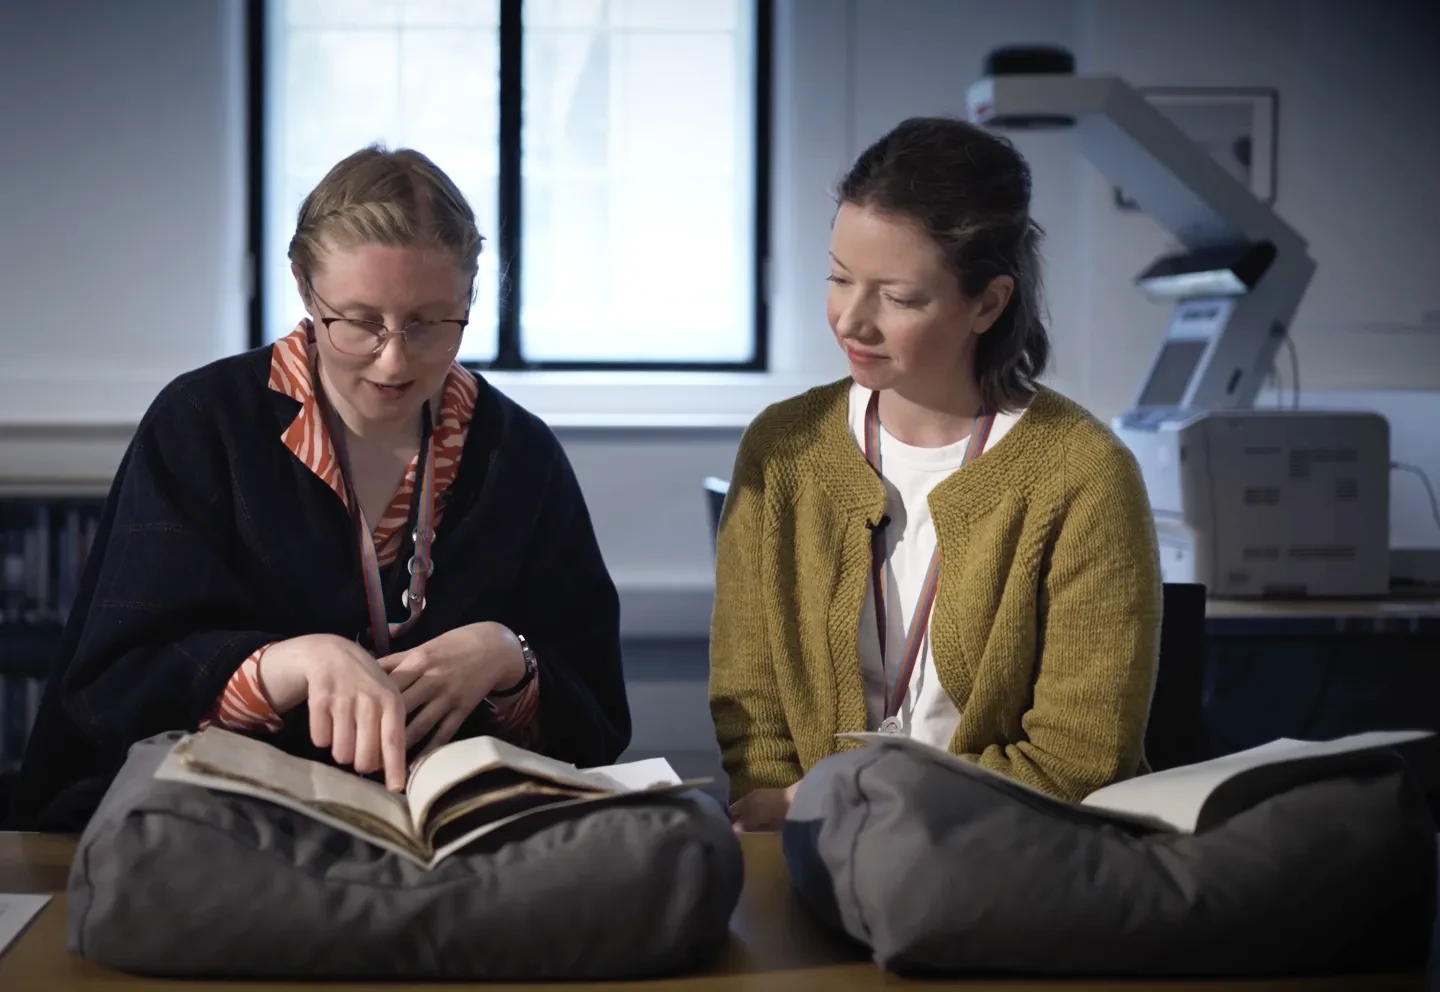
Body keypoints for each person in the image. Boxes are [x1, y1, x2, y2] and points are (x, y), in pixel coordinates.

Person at [8, 146, 630, 832]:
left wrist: (510, 658)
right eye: (360, 321)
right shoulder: (203, 424)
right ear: (305, 289)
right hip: (224, 845)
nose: (394, 359)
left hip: (457, 854)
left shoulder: (520, 453)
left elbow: (598, 721)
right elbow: (109, 687)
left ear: (471, 297)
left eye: (429, 323)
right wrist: (285, 664)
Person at [710, 117, 1162, 832]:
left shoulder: (1082, 475)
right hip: (809, 851)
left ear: (987, 303)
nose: (851, 321)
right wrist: (789, 816)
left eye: (898, 297)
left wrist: (847, 808)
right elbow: (752, 703)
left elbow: (1079, 758)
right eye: (838, 278)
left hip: (1009, 856)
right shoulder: (783, 449)